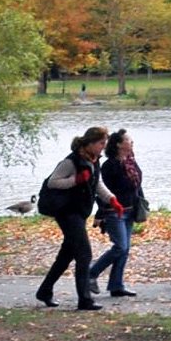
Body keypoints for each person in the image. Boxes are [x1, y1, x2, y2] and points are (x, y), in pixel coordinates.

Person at [37, 126, 121, 310]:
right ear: (90, 143)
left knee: (66, 255)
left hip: (80, 212)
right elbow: (53, 182)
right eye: (100, 143)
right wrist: (75, 180)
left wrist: (112, 200)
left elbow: (97, 183)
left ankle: (44, 290)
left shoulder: (94, 160)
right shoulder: (71, 161)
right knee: (84, 254)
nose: (103, 147)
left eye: (104, 143)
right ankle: (85, 300)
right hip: (66, 212)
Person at [87, 128, 144, 297]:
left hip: (130, 210)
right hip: (114, 212)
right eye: (128, 139)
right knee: (120, 247)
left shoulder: (130, 161)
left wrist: (141, 204)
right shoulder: (109, 165)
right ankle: (91, 273)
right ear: (119, 144)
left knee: (125, 249)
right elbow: (101, 191)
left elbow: (137, 185)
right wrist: (101, 214)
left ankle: (116, 286)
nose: (131, 142)